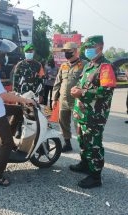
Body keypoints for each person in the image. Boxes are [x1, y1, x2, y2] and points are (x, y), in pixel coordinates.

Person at [0, 39, 35, 186]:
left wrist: (15, 95)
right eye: (4, 53)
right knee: (8, 143)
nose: (6, 56)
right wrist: (23, 99)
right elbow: (3, 96)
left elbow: (0, 92)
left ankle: (7, 137)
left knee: (18, 111)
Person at [70, 35, 117, 188]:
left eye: (91, 47)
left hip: (95, 115)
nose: (88, 50)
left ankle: (95, 176)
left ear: (100, 46)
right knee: (83, 141)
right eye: (87, 47)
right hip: (82, 113)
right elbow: (82, 83)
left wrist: (81, 93)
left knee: (93, 145)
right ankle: (85, 164)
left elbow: (106, 91)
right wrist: (75, 88)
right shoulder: (90, 65)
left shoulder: (105, 66)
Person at [51, 42, 87, 152]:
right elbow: (58, 82)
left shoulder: (84, 64)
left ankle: (84, 146)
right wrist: (54, 99)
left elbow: (88, 83)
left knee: (79, 124)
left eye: (69, 52)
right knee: (63, 123)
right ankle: (67, 143)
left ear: (76, 51)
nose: (66, 54)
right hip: (63, 100)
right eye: (65, 52)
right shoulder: (64, 65)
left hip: (77, 101)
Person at [12, 43, 45, 137]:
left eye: (31, 51)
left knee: (31, 113)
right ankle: (18, 129)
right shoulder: (19, 65)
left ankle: (31, 131)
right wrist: (15, 93)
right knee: (19, 111)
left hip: (33, 94)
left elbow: (41, 80)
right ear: (25, 52)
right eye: (27, 51)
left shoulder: (38, 65)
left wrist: (41, 94)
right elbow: (15, 80)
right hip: (21, 94)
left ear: (33, 52)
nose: (29, 53)